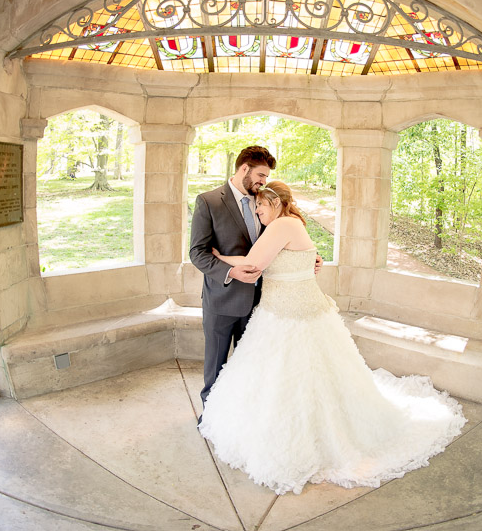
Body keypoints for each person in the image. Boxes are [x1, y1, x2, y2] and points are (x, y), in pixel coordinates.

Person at [198, 180, 467, 495]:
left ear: (273, 202)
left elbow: (254, 264)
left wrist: (218, 257)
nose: (257, 211)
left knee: (294, 381)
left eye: (260, 205)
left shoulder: (282, 224)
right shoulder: (293, 223)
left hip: (290, 317)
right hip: (285, 311)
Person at [188, 146, 279, 413]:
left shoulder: (265, 200)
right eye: (261, 175)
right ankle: (212, 417)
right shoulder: (209, 201)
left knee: (248, 364)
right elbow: (197, 253)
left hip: (259, 302)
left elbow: (284, 234)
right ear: (244, 169)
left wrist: (313, 257)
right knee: (215, 366)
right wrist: (230, 272)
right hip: (221, 301)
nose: (264, 181)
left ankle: (240, 417)